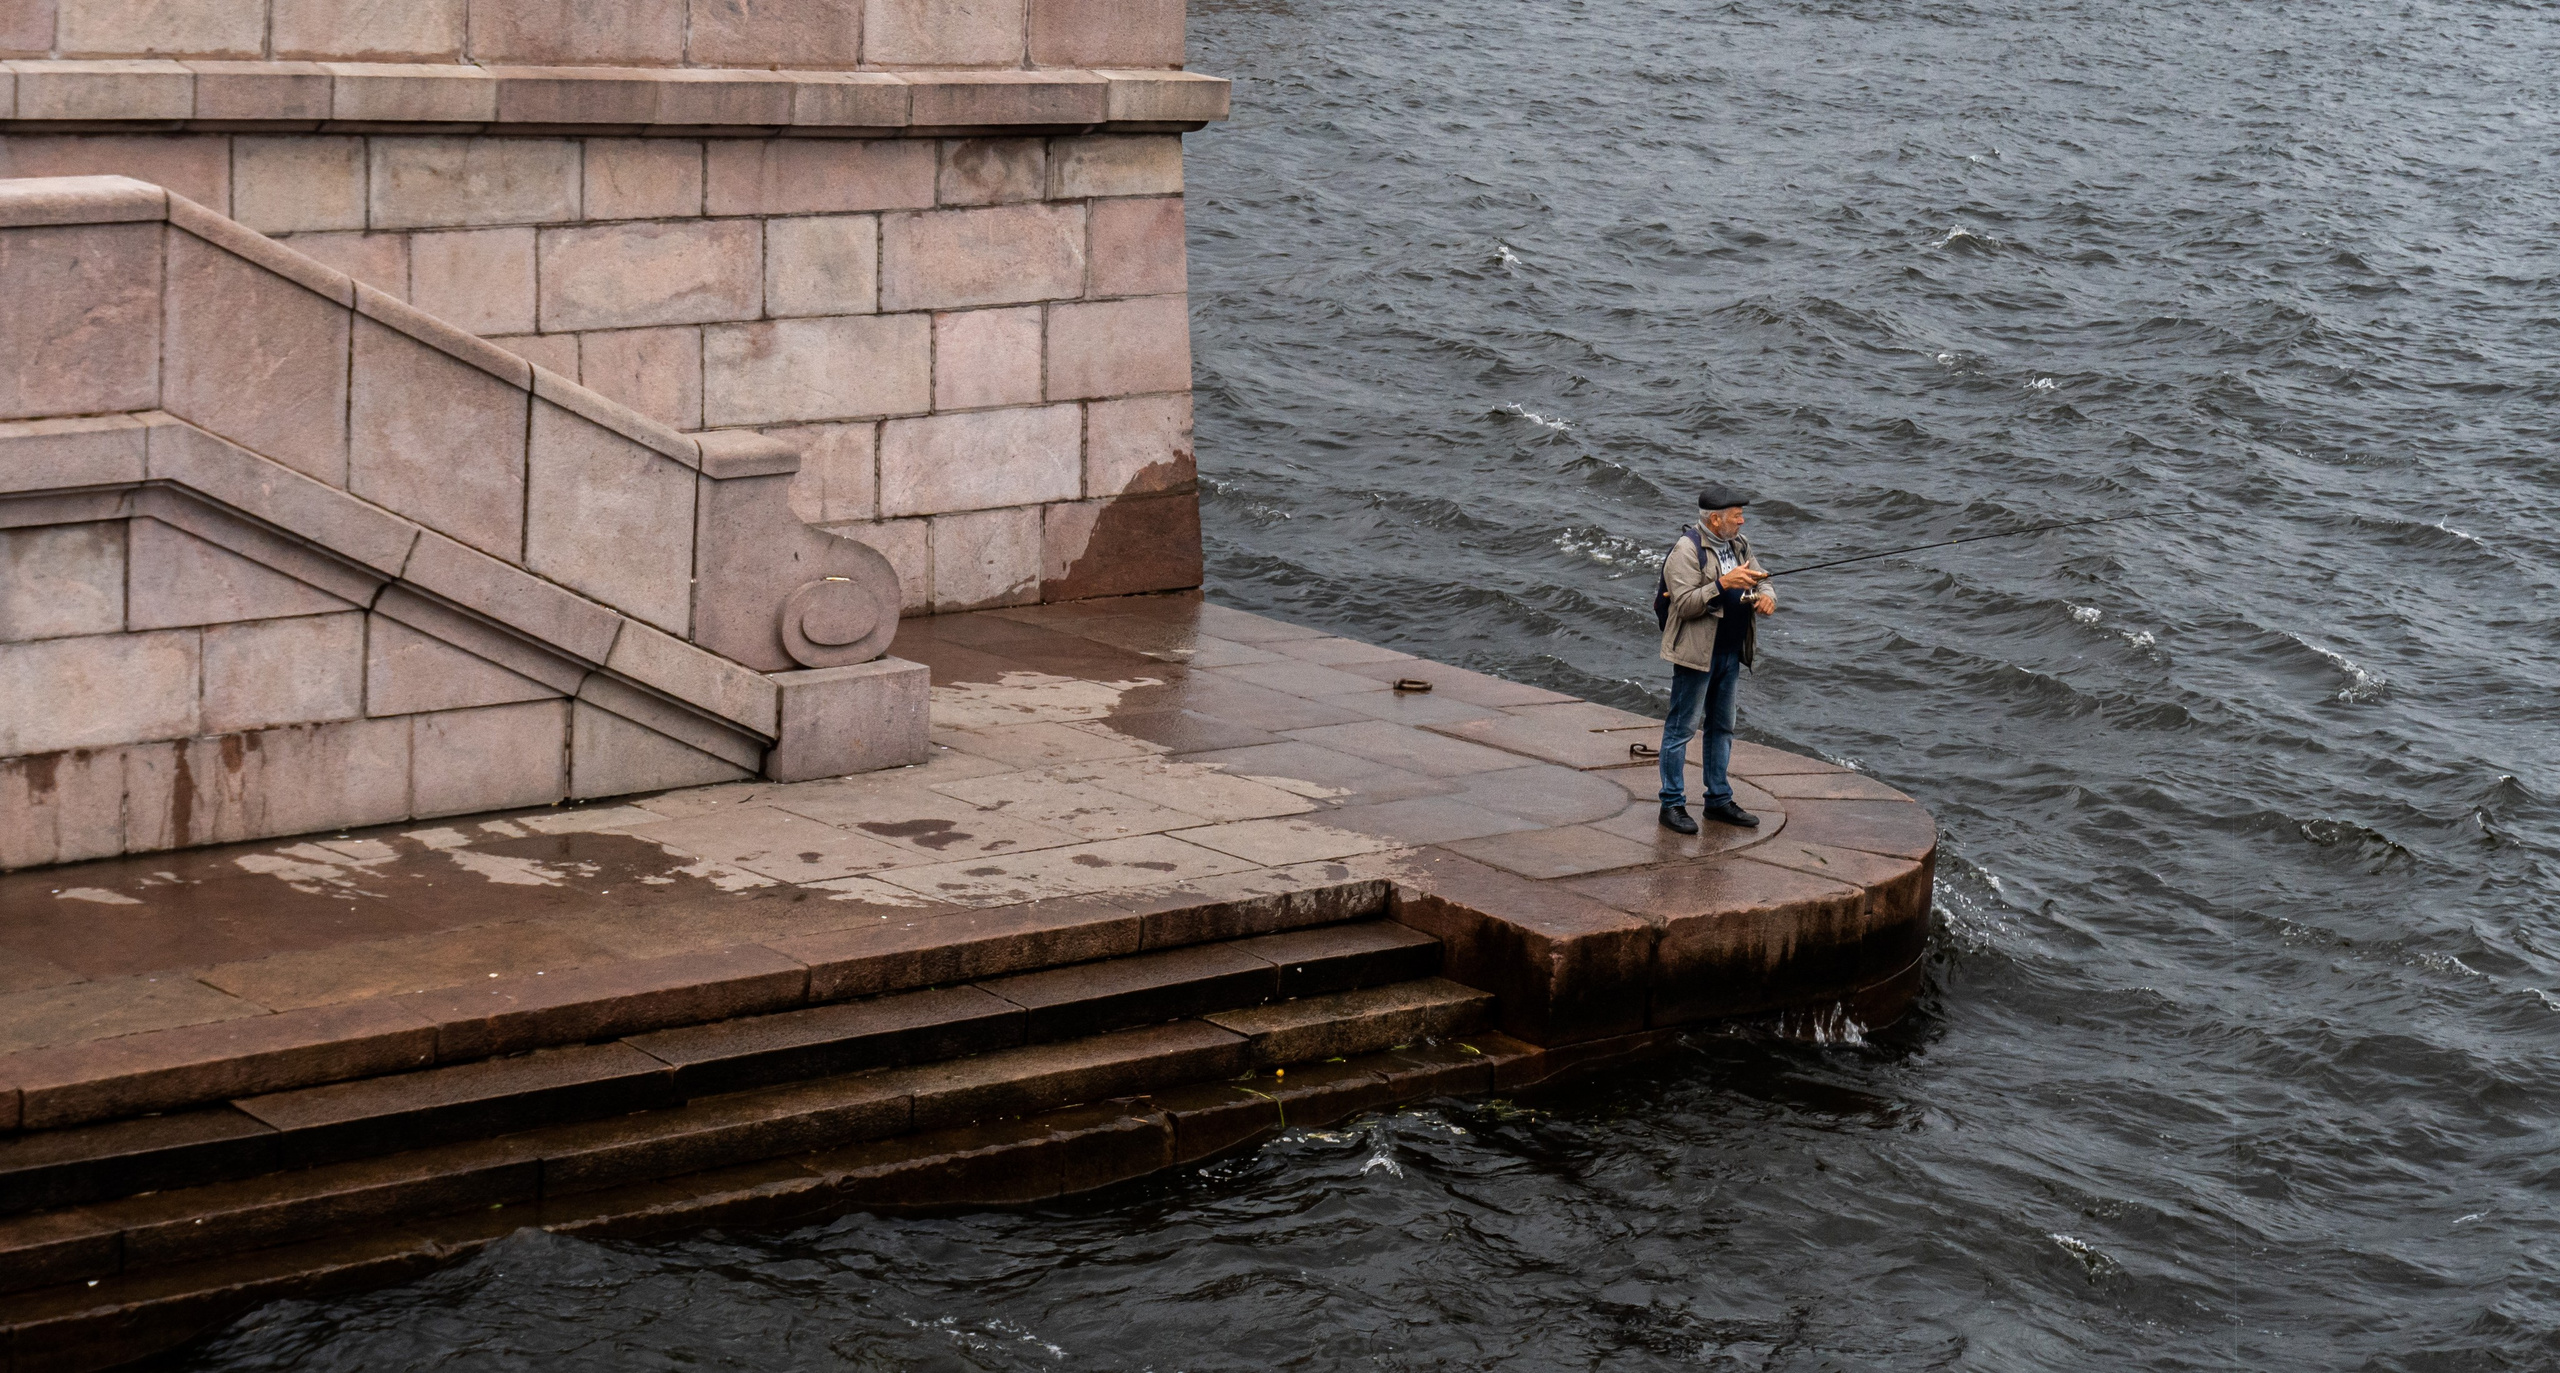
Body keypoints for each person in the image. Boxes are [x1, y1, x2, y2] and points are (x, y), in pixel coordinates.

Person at [1655, 483, 1775, 833]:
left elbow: (1763, 580)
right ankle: (1672, 803)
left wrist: (1768, 597)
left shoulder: (1739, 545)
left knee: (1722, 728)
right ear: (1715, 519)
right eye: (1736, 516)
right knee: (1681, 729)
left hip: (1729, 654)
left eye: (1741, 515)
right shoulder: (1686, 550)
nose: (1742, 521)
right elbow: (1686, 604)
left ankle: (1718, 800)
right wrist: (1724, 584)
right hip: (1696, 656)